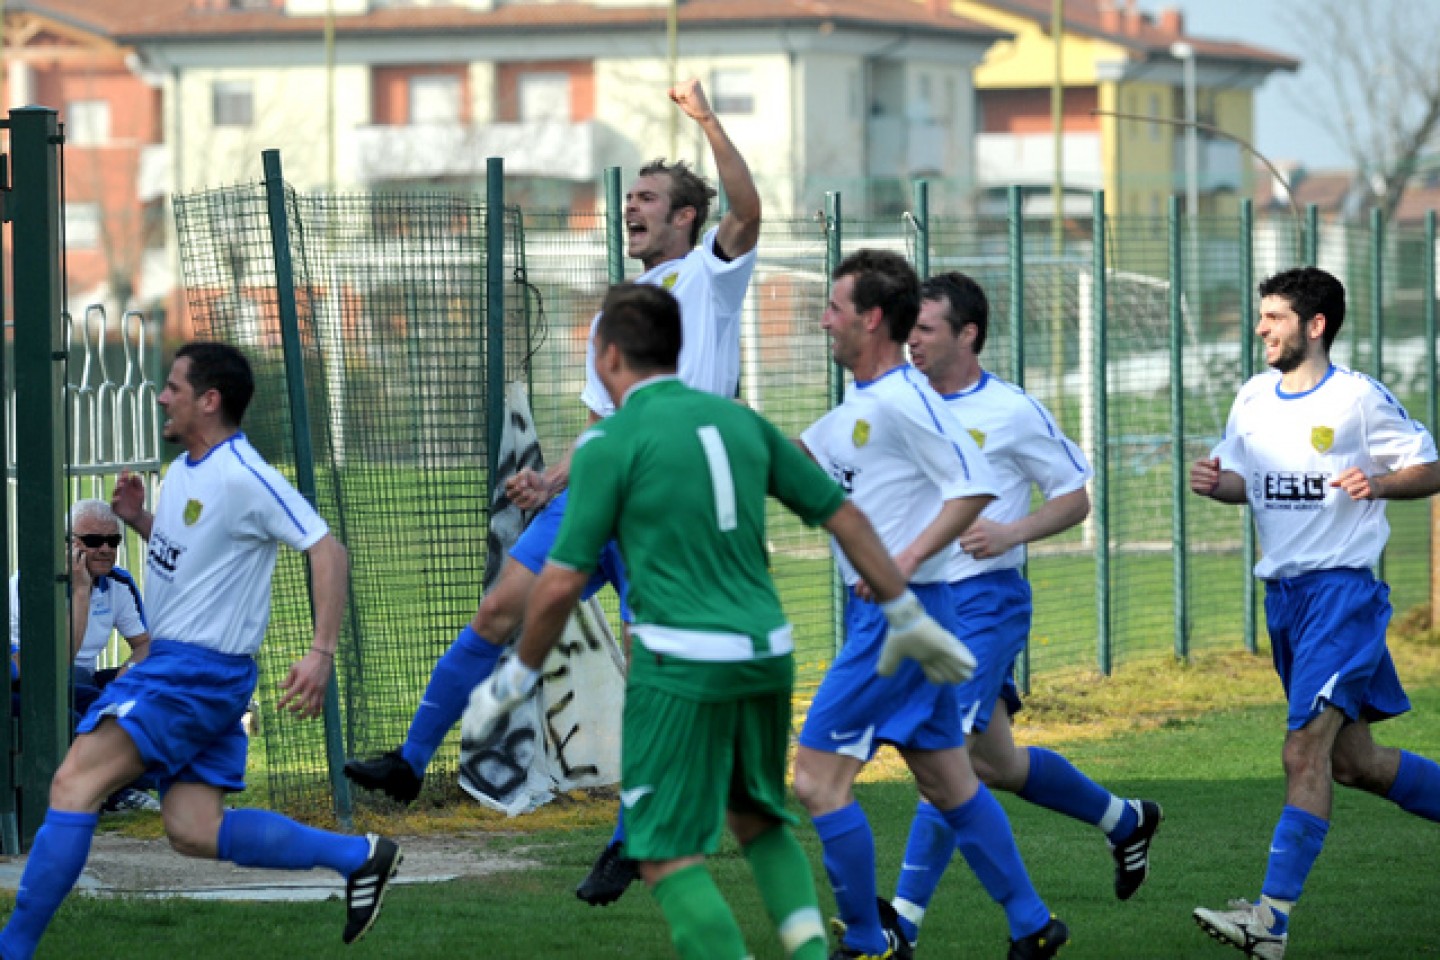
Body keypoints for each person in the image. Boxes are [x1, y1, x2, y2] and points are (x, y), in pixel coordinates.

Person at [459, 282, 975, 960]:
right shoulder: (741, 421)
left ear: (609, 356)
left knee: (665, 854)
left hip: (680, 664)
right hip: (767, 654)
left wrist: (514, 675)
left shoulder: (608, 443)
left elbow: (558, 581)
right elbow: (842, 514)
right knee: (759, 823)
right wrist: (904, 609)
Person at [343, 76, 762, 906]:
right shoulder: (623, 310)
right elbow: (609, 422)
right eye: (631, 196)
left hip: (667, 506)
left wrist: (708, 120)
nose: (632, 207)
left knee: (658, 671)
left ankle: (629, 839)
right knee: (499, 614)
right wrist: (554, 477)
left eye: (648, 197)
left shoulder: (711, 277)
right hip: (595, 494)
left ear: (686, 217)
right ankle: (409, 761)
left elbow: (746, 208)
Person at [0, 342, 402, 959]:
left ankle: (13, 949)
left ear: (208, 401)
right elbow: (196, 558)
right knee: (194, 829)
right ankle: (359, 857)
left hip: (190, 673)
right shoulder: (187, 469)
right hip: (198, 675)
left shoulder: (246, 474)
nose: (162, 397)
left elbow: (328, 550)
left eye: (174, 388)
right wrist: (140, 521)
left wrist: (321, 653)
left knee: (73, 782)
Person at [792, 251, 1067, 960]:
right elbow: (794, 464)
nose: (823, 320)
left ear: (870, 318)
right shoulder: (866, 404)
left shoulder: (903, 402)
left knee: (818, 781)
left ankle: (867, 938)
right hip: (913, 611)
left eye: (834, 308)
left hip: (900, 615)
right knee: (950, 780)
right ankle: (1033, 925)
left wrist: (900, 562)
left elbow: (972, 486)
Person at [885, 272, 1162, 948]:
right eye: (907, 328)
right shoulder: (899, 400)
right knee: (995, 766)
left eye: (924, 328)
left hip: (986, 601)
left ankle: (901, 925)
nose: (910, 339)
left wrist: (1011, 532)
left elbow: (1075, 497)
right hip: (922, 605)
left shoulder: (1011, 410)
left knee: (941, 749)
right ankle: (1126, 821)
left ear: (967, 334)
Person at [1190, 267, 1440, 960]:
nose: (1261, 327)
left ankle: (1269, 921)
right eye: (1261, 315)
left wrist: (1381, 481)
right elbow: (1247, 481)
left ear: (1315, 324)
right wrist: (1220, 485)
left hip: (1342, 598)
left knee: (1303, 751)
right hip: (1286, 603)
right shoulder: (1251, 399)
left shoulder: (1358, 398)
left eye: (1273, 316)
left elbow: (1430, 463)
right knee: (1355, 763)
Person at [9, 498, 157, 812]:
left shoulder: (117, 583)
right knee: (82, 719)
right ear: (66, 545)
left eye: (113, 540)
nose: (105, 549)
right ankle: (114, 793)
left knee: (136, 700)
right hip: (33, 684)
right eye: (92, 541)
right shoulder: (30, 586)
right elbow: (54, 666)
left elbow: (146, 644)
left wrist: (129, 671)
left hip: (79, 682)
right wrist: (80, 592)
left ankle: (150, 785)